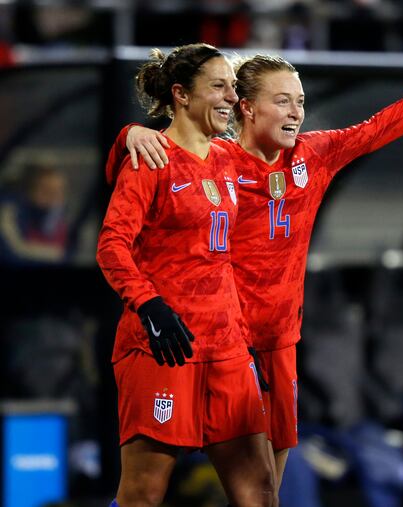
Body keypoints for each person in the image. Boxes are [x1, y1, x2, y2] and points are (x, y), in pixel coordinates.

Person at [107, 40, 403, 494]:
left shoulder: (315, 155)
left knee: (266, 488)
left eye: (302, 101)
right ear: (247, 108)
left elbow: (386, 124)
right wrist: (128, 134)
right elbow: (156, 165)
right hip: (226, 341)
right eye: (284, 101)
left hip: (279, 344)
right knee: (156, 485)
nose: (296, 112)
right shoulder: (219, 160)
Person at [96, 43, 274, 507]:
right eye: (218, 86)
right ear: (180, 94)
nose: (232, 98)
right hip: (164, 347)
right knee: (143, 494)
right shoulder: (151, 159)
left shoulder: (230, 158)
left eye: (233, 87)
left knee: (260, 492)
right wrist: (149, 305)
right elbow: (111, 246)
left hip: (228, 351)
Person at [0, 162, 69, 264]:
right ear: (29, 192)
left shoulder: (61, 221)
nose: (55, 200)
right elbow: (14, 251)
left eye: (59, 192)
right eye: (47, 192)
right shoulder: (10, 210)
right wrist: (58, 254)